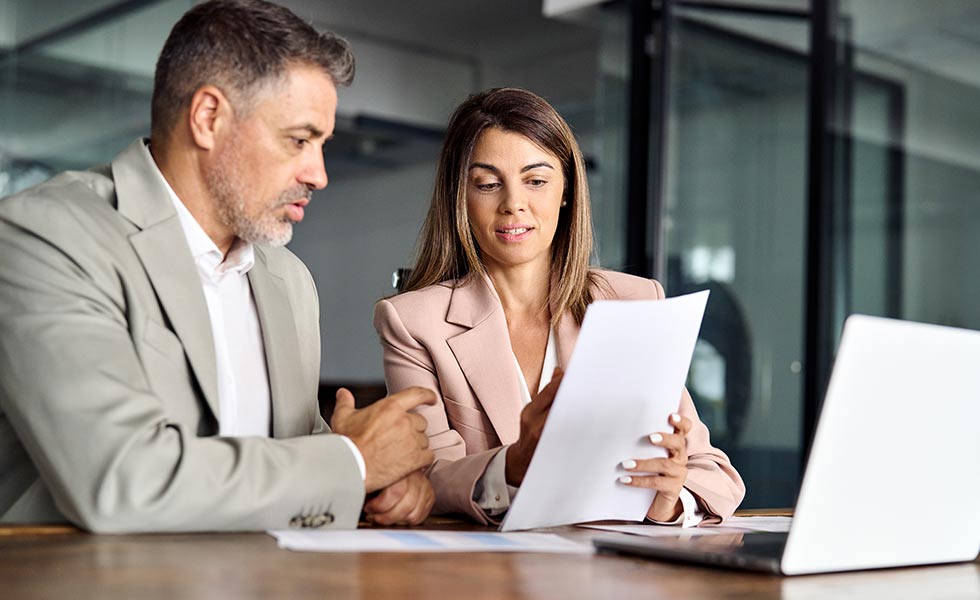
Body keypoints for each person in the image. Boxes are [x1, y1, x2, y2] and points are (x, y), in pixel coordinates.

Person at [0, 0, 436, 532]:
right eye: (299, 140)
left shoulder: (290, 281)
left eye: (322, 144)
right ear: (209, 118)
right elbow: (121, 480)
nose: (319, 173)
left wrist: (379, 484)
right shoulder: (45, 236)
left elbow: (300, 456)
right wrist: (354, 463)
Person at [375, 88, 745, 526]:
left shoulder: (633, 302)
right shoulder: (414, 322)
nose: (513, 203)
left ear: (566, 191)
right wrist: (509, 466)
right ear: (461, 197)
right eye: (488, 184)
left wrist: (668, 497)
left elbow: (716, 475)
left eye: (536, 180)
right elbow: (425, 477)